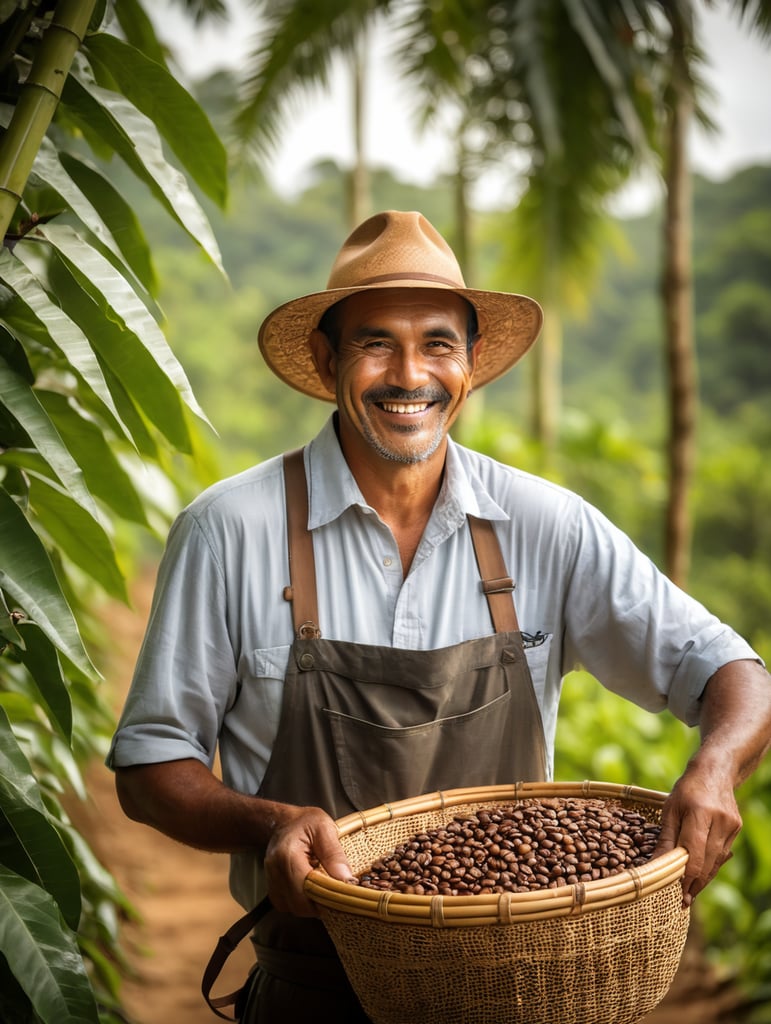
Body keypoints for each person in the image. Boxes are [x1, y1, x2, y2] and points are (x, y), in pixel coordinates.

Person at [108, 210, 771, 1022]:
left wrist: (713, 771)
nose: (408, 373)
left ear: (471, 363)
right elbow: (149, 767)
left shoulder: (544, 527)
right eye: (374, 342)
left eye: (437, 344)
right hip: (317, 986)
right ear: (327, 358)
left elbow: (726, 668)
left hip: (522, 987)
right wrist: (270, 823)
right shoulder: (228, 531)